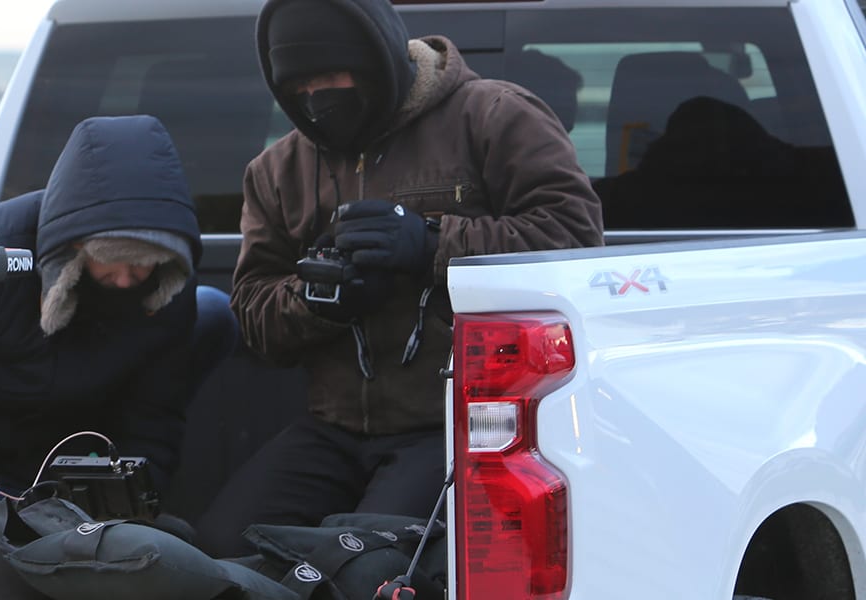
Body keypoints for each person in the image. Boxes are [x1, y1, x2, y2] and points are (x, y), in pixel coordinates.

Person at [194, 0, 605, 558]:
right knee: (222, 548)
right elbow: (254, 311)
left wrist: (431, 245)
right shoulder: (276, 170)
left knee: (369, 562)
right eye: (302, 86)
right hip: (333, 425)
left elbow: (575, 237)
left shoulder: (492, 115)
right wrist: (321, 301)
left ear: (379, 59)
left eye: (335, 75)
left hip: (456, 422)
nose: (320, 95)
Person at [0, 114, 240, 501]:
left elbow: (152, 420)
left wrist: (130, 498)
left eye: (141, 265)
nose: (125, 279)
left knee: (214, 312)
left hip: (65, 466)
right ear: (72, 248)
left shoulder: (167, 287)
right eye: (113, 261)